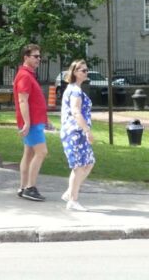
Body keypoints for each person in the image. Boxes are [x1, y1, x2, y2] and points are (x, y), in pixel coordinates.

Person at [14, 43, 49, 201]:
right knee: (41, 152)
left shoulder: (29, 75)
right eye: (35, 56)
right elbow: (23, 100)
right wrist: (27, 123)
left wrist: (46, 120)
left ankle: (23, 187)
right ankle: (30, 187)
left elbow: (35, 101)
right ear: (26, 57)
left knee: (28, 154)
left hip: (36, 121)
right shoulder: (24, 75)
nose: (38, 59)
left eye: (39, 56)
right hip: (32, 123)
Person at [60, 60, 95, 211]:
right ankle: (73, 199)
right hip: (75, 133)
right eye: (83, 71)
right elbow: (75, 111)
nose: (86, 73)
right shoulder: (74, 90)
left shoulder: (75, 89)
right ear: (74, 72)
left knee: (89, 162)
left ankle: (70, 192)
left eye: (87, 70)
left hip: (77, 132)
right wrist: (87, 130)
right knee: (79, 166)